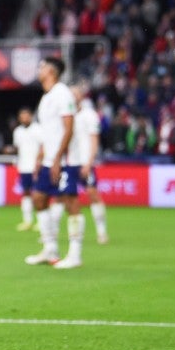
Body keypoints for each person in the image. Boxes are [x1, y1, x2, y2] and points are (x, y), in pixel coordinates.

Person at [24, 57, 83, 269]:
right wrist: (41, 158)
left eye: (42, 66)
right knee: (38, 198)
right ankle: (50, 249)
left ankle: (75, 254)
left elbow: (69, 127)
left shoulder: (62, 93)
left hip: (65, 159)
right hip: (49, 159)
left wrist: (58, 157)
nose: (38, 70)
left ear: (51, 71)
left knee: (70, 201)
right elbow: (47, 132)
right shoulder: (46, 97)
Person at [71, 85, 109, 244]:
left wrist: (89, 162)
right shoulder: (65, 115)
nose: (73, 97)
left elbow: (94, 140)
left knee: (92, 193)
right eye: (70, 94)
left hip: (84, 161)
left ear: (81, 96)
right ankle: (52, 235)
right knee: (62, 198)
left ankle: (102, 232)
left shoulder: (89, 115)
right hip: (69, 161)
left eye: (75, 94)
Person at [11, 107, 42, 231]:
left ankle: (41, 221)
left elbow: (43, 146)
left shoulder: (38, 129)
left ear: (31, 116)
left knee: (39, 194)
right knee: (26, 193)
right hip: (24, 166)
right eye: (22, 116)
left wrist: (39, 162)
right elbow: (17, 148)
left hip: (36, 167)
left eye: (26, 116)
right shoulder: (17, 131)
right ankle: (27, 220)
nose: (24, 118)